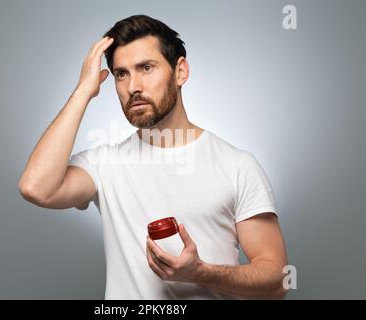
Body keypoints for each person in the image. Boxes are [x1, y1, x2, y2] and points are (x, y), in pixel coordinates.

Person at [18, 14, 288, 300]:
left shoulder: (237, 165)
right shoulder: (104, 165)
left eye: (146, 68)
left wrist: (201, 272)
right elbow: (36, 188)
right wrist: (83, 91)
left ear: (180, 71)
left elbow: (277, 281)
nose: (133, 86)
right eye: (121, 74)